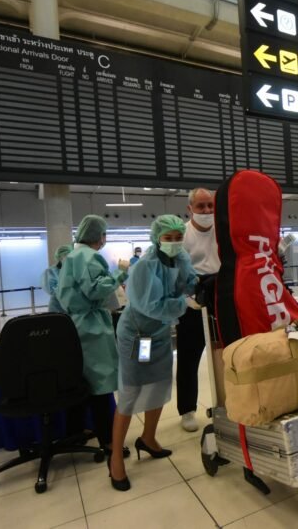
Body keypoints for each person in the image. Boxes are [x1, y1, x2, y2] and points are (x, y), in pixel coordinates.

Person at [109, 215, 196, 492]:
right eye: (167, 238)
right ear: (157, 238)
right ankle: (115, 459)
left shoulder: (180, 258)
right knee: (132, 390)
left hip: (159, 335)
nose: (173, 243)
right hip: (139, 336)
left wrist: (200, 287)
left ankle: (148, 438)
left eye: (177, 237)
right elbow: (152, 306)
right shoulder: (146, 266)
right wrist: (184, 303)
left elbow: (188, 281)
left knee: (158, 385)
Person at [56, 215, 130, 457]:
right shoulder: (88, 256)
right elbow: (96, 288)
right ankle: (109, 443)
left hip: (76, 324)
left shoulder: (73, 257)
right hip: (91, 328)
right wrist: (120, 275)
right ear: (99, 236)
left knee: (84, 384)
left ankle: (76, 433)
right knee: (100, 387)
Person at [175, 187, 220, 432]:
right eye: (201, 206)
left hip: (219, 294)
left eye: (210, 206)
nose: (206, 211)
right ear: (190, 208)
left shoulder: (223, 229)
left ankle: (227, 402)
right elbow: (172, 273)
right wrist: (184, 298)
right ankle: (187, 410)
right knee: (188, 358)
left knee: (226, 354)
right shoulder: (181, 234)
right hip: (191, 298)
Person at [40, 244, 72, 313]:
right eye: (66, 256)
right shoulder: (50, 272)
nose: (68, 259)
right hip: (56, 307)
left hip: (73, 307)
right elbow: (51, 290)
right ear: (59, 257)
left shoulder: (73, 270)